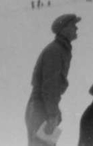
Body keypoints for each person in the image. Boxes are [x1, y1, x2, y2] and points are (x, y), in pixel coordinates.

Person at [26, 13, 80, 145]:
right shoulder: (55, 51)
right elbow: (50, 87)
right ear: (64, 29)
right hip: (40, 110)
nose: (76, 29)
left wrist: (53, 112)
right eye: (73, 25)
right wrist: (52, 114)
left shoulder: (61, 50)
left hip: (42, 108)